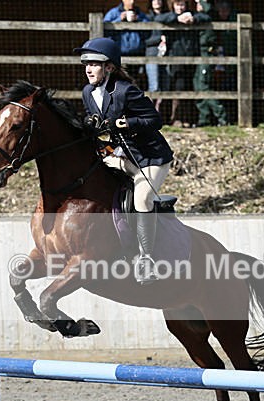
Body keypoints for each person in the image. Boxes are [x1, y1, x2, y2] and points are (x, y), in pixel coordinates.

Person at [74, 38, 174, 284]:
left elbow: (155, 120)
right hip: (122, 154)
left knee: (141, 198)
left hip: (151, 157)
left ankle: (147, 260)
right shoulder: (87, 92)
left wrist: (125, 123)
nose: (88, 69)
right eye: (86, 63)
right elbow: (93, 119)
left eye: (94, 64)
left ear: (109, 67)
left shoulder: (126, 90)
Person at [155, 0, 210, 127]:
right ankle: (176, 118)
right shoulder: (170, 16)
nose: (180, 7)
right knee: (178, 87)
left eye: (182, 5)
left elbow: (206, 17)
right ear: (173, 6)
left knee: (190, 87)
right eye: (177, 5)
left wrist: (193, 18)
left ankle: (188, 118)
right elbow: (159, 18)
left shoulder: (192, 15)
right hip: (175, 58)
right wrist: (177, 18)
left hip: (192, 57)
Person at [194, 1, 228, 127]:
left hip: (207, 54)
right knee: (198, 85)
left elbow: (207, 12)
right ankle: (204, 119)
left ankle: (222, 116)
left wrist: (202, 1)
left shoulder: (210, 14)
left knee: (204, 86)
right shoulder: (199, 16)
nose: (198, 5)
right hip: (198, 54)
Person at [144, 0, 170, 112]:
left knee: (165, 85)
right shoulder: (146, 17)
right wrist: (159, 39)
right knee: (154, 85)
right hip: (151, 54)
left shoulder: (169, 16)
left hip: (166, 54)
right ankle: (151, 114)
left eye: (159, 0)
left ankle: (159, 112)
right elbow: (144, 39)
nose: (157, 2)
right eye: (154, 0)